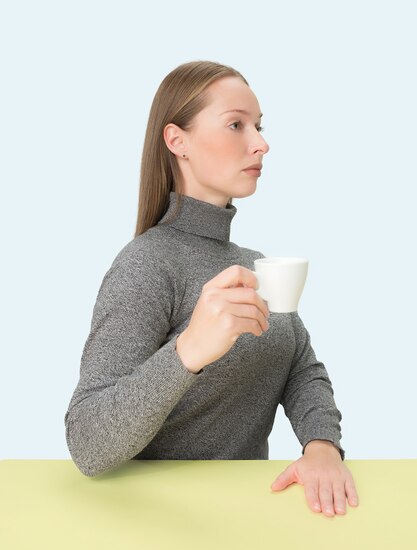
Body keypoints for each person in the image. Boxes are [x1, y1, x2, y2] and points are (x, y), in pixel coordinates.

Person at [64, 60, 359, 517]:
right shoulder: (146, 264)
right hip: (161, 536)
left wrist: (321, 447)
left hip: (249, 525)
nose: (260, 143)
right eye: (236, 125)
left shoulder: (254, 266)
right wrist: (188, 351)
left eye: (258, 127)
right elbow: (87, 441)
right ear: (177, 141)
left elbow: (302, 370)